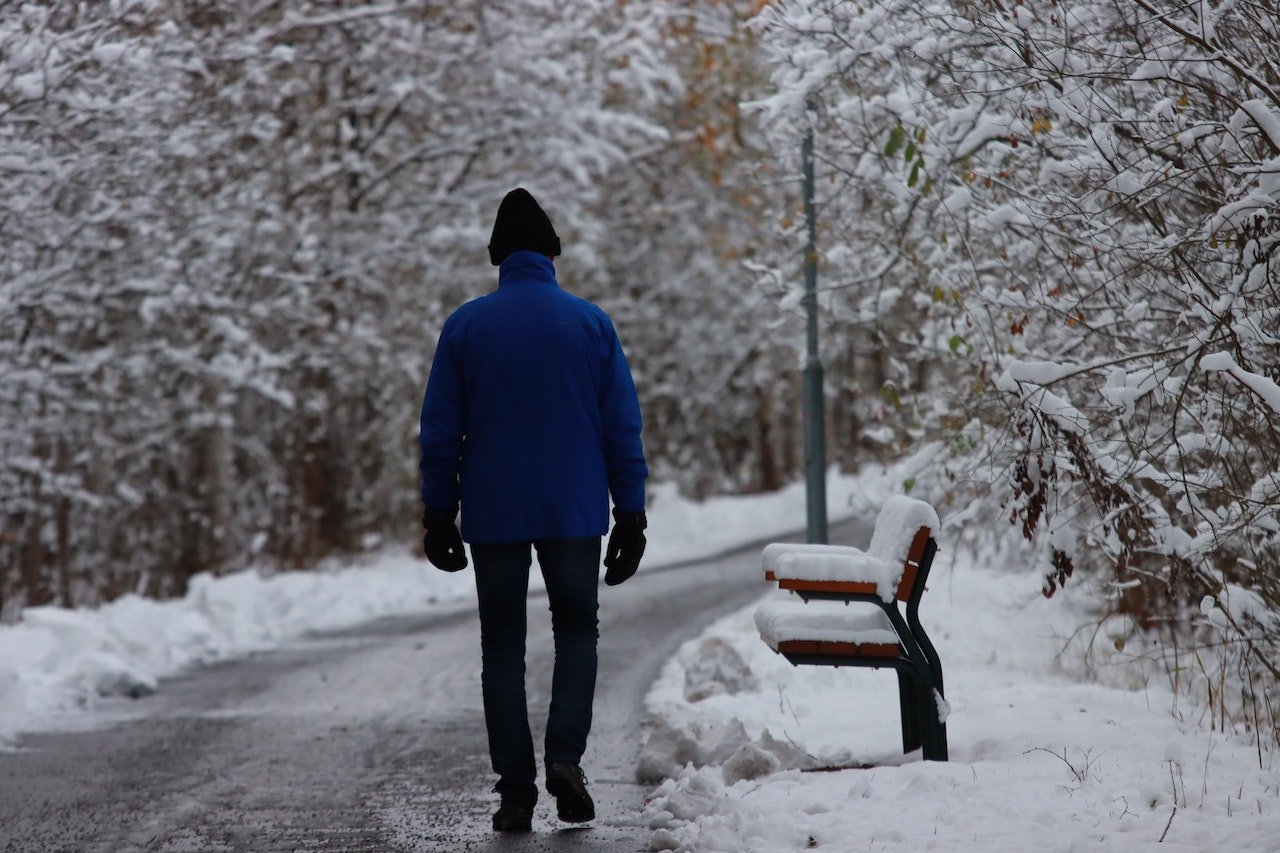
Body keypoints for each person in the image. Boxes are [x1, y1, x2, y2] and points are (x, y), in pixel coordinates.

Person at [417, 188, 649, 833]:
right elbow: (620, 428)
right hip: (575, 507)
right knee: (577, 631)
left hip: (493, 509)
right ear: (552, 253)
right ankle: (566, 759)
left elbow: (440, 430)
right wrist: (631, 513)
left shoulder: (466, 325)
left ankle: (515, 790)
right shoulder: (590, 322)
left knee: (502, 646)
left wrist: (439, 512)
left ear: (497, 257)